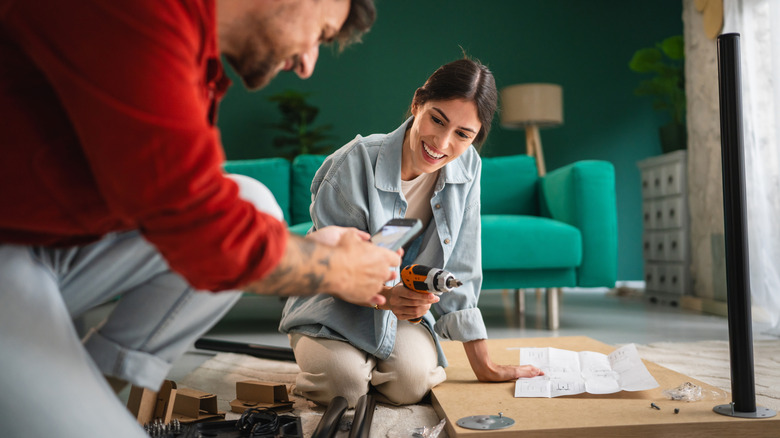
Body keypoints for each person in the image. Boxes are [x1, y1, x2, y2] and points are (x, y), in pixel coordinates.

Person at [0, 1, 399, 437]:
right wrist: (335, 268)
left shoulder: (191, 48)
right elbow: (203, 231)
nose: (307, 64)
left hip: (44, 241)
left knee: (254, 202)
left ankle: (98, 384)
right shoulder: (142, 15)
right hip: (11, 253)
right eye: (320, 35)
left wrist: (309, 252)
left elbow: (181, 196)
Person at [279, 58, 544, 408]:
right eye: (437, 119)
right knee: (344, 389)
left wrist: (485, 365)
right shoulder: (352, 164)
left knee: (412, 385)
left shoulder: (468, 168)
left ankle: (371, 366)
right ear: (418, 103)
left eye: (463, 134)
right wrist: (386, 297)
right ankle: (342, 367)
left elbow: (462, 265)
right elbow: (330, 267)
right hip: (332, 308)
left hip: (401, 312)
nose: (442, 143)